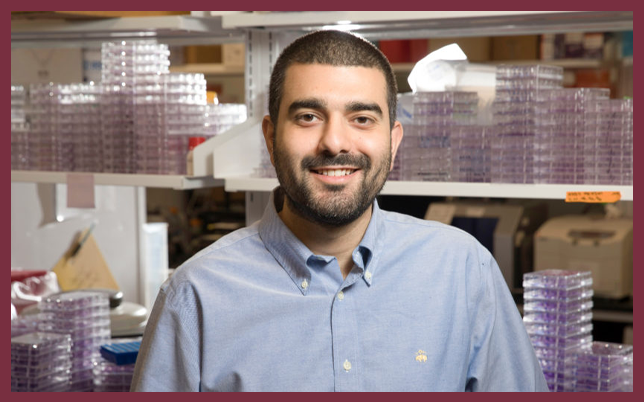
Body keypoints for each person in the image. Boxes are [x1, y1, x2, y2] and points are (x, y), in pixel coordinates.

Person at [131, 30, 549, 392]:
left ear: (394, 140)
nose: (335, 142)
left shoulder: (464, 270)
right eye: (309, 116)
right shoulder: (194, 298)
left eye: (362, 118)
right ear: (271, 137)